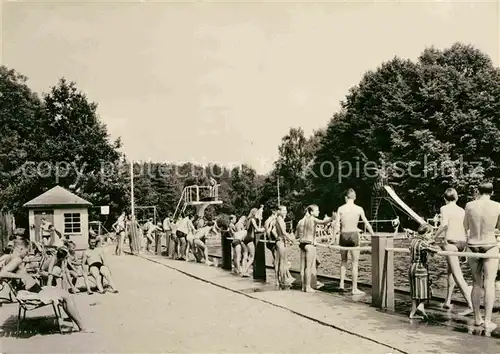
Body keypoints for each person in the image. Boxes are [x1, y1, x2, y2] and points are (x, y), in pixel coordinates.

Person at [0, 239, 91, 333]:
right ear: (21, 248)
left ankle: (72, 322)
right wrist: (19, 276)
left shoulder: (11, 258)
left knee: (64, 295)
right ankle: (81, 327)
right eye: (26, 251)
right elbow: (2, 274)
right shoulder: (17, 259)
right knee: (67, 296)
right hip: (33, 292)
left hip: (34, 290)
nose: (26, 254)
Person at [463, 182, 500, 330]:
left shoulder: (469, 205)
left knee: (476, 282)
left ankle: (477, 318)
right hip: (490, 244)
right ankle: (488, 320)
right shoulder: (497, 205)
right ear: (492, 192)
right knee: (489, 283)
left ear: (478, 191)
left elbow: (465, 226)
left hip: (473, 245)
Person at [434, 188, 473, 315]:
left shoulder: (444, 209)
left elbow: (444, 225)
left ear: (445, 198)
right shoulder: (462, 210)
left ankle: (471, 304)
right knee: (450, 271)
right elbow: (466, 230)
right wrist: (466, 247)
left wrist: (434, 237)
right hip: (462, 242)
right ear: (456, 198)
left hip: (451, 243)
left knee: (457, 275)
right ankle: (448, 300)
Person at [334, 188, 375, 295]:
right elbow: (366, 223)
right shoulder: (359, 209)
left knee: (343, 261)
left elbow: (337, 225)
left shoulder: (340, 208)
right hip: (353, 235)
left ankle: (341, 284)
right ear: (355, 198)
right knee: (355, 263)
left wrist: (333, 239)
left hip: (343, 234)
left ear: (345, 198)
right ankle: (354, 288)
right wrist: (373, 235)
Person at [296, 205, 333, 292]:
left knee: (304, 267)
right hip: (309, 244)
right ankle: (308, 287)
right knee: (308, 267)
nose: (318, 212)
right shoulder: (312, 219)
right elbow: (323, 222)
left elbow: (297, 235)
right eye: (317, 210)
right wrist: (332, 218)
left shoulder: (303, 221)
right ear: (311, 212)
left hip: (302, 243)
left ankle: (304, 286)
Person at [409, 224, 440, 319]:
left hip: (412, 267)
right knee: (424, 290)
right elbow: (436, 250)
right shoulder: (422, 243)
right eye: (430, 233)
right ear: (426, 233)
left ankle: (412, 314)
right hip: (420, 268)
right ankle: (420, 306)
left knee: (415, 293)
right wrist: (433, 243)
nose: (431, 235)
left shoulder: (413, 241)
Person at [274, 206, 296, 287]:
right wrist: (291, 239)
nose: (285, 212)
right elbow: (283, 232)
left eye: (286, 210)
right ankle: (282, 280)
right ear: (279, 211)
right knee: (282, 262)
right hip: (281, 242)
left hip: (279, 241)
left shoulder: (278, 219)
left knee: (278, 262)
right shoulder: (280, 220)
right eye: (284, 210)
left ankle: (277, 280)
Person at [241, 209, 265, 277]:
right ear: (254, 213)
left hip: (246, 237)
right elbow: (257, 229)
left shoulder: (249, 220)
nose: (259, 214)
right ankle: (245, 271)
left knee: (246, 256)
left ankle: (244, 270)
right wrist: (264, 229)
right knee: (252, 257)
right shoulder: (253, 219)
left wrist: (260, 220)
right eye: (258, 213)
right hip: (250, 239)